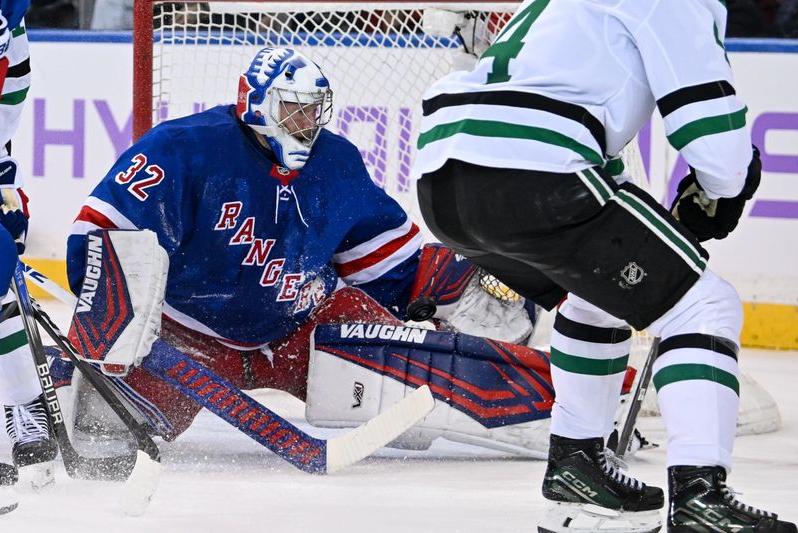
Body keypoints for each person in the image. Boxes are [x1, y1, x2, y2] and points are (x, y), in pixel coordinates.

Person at [62, 47, 573, 459]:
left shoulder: (336, 163)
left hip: (305, 324)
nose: (306, 121)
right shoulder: (183, 149)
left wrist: (461, 295)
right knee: (98, 437)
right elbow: (102, 238)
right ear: (256, 102)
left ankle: (572, 395)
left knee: (416, 401)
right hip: (183, 336)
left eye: (313, 109)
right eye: (292, 107)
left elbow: (396, 266)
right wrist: (119, 331)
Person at [412, 1, 795, 532]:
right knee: (706, 305)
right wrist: (724, 187)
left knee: (595, 296)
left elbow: (564, 99)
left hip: (441, 182)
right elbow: (709, 127)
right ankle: (700, 498)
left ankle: (577, 464)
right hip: (532, 171)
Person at [0, 0, 57, 494]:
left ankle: (24, 403)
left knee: (0, 253)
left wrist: (2, 186)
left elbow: (0, 128)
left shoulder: (10, 34)